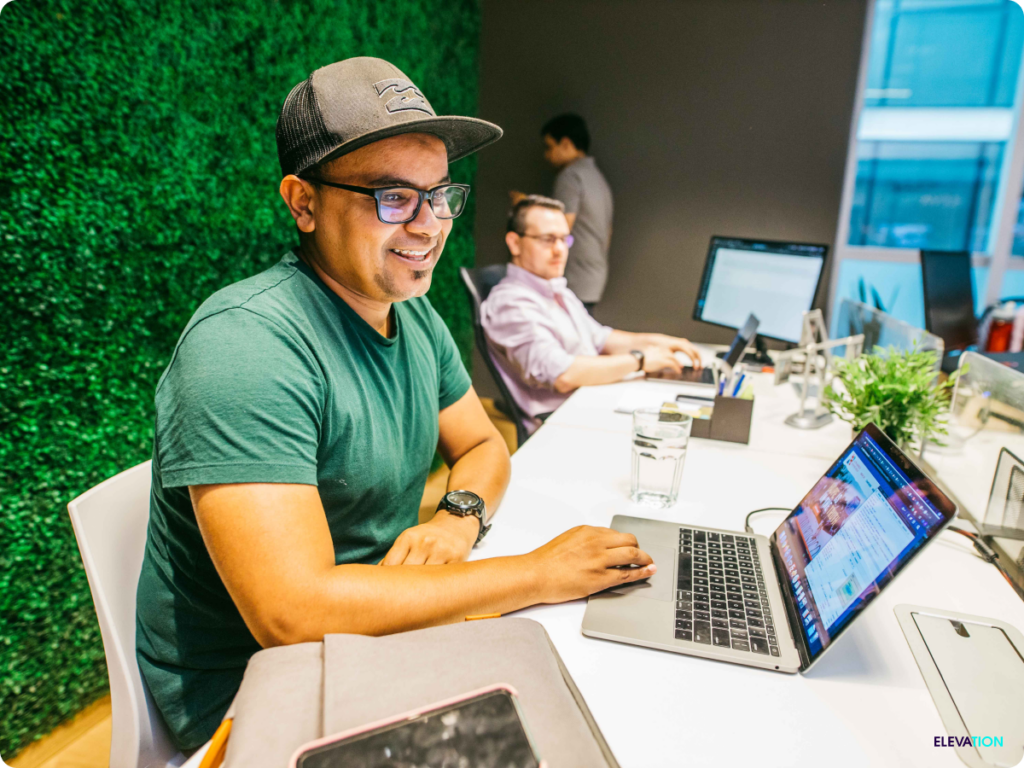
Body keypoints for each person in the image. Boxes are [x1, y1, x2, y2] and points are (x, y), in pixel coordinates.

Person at [135, 58, 655, 752]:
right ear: (303, 201)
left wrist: (456, 521)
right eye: (393, 198)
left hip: (375, 639)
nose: (429, 226)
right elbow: (292, 614)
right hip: (260, 693)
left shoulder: (410, 316)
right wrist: (536, 573)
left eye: (440, 195)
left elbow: (482, 447)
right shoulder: (245, 346)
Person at [481, 195, 702, 433]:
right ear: (515, 243)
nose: (559, 250)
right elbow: (562, 375)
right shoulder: (511, 303)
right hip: (566, 423)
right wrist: (640, 360)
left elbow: (602, 339)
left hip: (591, 401)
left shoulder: (556, 290)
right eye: (547, 240)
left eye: (564, 239)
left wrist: (659, 341)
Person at [543, 113, 613, 313]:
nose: (546, 155)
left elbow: (560, 229)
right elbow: (608, 233)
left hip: (574, 279)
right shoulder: (597, 177)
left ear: (565, 143)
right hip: (594, 276)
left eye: (549, 147)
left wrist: (526, 210)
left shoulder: (570, 176)